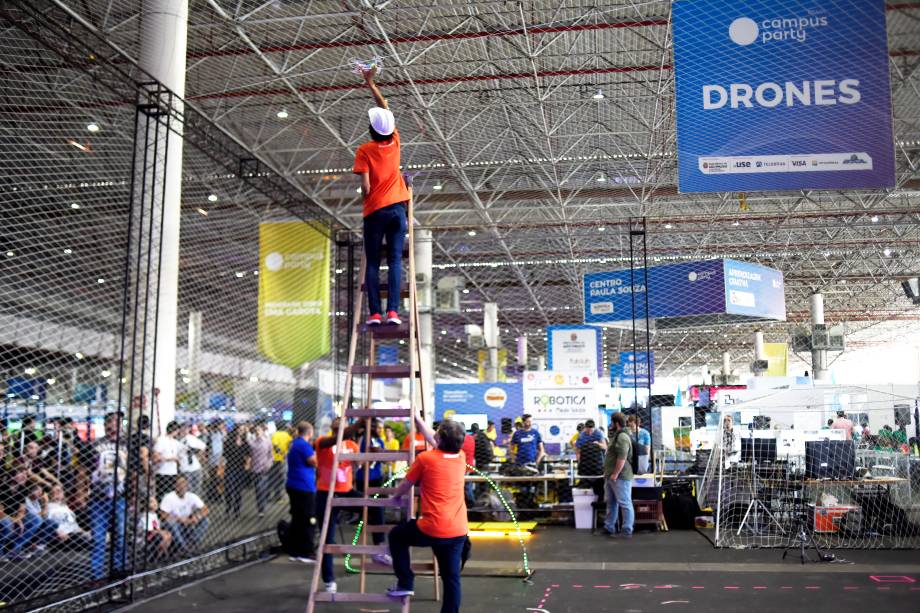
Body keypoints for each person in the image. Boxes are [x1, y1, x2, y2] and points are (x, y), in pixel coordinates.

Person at [386, 416, 469, 613]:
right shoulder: (461, 456)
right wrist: (418, 420)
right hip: (458, 530)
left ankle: (406, 581)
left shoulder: (425, 458)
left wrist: (395, 498)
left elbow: (406, 484)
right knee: (451, 578)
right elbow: (438, 441)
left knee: (396, 536)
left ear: (440, 439)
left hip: (432, 528)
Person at [353, 65, 410, 327]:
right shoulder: (395, 141)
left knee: (373, 262)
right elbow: (385, 108)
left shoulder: (364, 150)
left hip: (374, 211)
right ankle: (394, 312)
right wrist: (372, 83)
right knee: (395, 261)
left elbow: (365, 187)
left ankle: (375, 313)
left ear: (371, 130)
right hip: (398, 210)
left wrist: (365, 197)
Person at [314, 417, 367, 593]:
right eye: (337, 428)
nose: (340, 431)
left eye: (342, 427)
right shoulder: (323, 442)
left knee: (373, 505)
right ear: (332, 428)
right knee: (327, 538)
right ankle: (329, 580)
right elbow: (338, 437)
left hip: (346, 490)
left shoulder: (351, 445)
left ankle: (380, 545)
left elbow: (358, 464)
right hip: (325, 493)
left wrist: (363, 456)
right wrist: (359, 423)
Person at [89, 411, 129, 580]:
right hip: (98, 497)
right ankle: (96, 575)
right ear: (105, 425)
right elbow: (84, 470)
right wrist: (82, 493)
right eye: (110, 422)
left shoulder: (127, 444)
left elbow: (133, 471)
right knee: (98, 538)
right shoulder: (95, 444)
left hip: (120, 496)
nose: (113, 425)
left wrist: (134, 495)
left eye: (117, 422)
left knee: (120, 535)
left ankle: (119, 570)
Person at [286, 422, 317, 563]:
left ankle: (294, 550)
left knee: (297, 518)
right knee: (308, 519)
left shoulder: (294, 443)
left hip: (293, 484)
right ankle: (306, 551)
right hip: (304, 486)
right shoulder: (304, 446)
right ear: (310, 433)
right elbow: (313, 462)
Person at [603, 413, 634, 539]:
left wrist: (615, 474)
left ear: (616, 423)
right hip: (611, 475)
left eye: (611, 423)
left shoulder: (622, 437)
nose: (610, 425)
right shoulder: (617, 436)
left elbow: (622, 457)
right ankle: (609, 527)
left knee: (624, 503)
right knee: (611, 503)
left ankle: (627, 530)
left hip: (619, 476)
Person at [160, 475, 209, 552]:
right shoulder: (169, 497)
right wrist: (179, 519)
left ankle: (192, 542)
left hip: (189, 523)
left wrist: (197, 517)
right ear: (175, 485)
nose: (182, 486)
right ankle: (183, 547)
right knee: (171, 523)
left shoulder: (191, 496)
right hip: (176, 525)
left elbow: (206, 509)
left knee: (205, 520)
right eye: (179, 484)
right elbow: (163, 515)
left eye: (184, 483)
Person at [46, 483, 89, 547]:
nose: (57, 492)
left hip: (73, 533)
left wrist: (84, 532)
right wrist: (57, 530)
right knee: (86, 540)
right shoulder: (49, 506)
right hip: (60, 536)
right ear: (50, 494)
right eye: (54, 491)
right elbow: (47, 521)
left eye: (59, 490)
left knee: (87, 537)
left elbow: (73, 524)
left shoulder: (64, 506)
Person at [224, 424, 250, 517]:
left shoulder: (245, 442)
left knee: (238, 490)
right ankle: (228, 507)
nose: (242, 431)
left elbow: (248, 454)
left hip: (240, 468)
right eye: (240, 429)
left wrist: (247, 463)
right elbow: (224, 455)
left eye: (243, 430)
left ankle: (236, 510)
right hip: (230, 467)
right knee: (228, 488)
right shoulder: (229, 441)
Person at [249, 423, 274, 518]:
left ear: (263, 431)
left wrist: (268, 465)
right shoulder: (252, 442)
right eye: (256, 431)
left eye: (259, 430)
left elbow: (271, 455)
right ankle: (260, 508)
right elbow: (249, 455)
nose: (257, 432)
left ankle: (261, 509)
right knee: (257, 490)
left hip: (264, 469)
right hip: (255, 470)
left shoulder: (268, 441)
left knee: (261, 489)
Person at [153, 421, 182, 497]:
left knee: (171, 496)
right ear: (175, 430)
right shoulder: (161, 440)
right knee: (161, 495)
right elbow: (156, 457)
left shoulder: (175, 442)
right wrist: (170, 459)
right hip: (162, 472)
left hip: (173, 473)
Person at [137, 495, 172, 560]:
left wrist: (164, 532)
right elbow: (150, 530)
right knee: (164, 536)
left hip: (153, 535)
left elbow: (157, 528)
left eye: (155, 501)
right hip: (144, 538)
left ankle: (160, 555)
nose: (155, 503)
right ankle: (157, 556)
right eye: (152, 502)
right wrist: (162, 533)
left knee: (168, 534)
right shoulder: (145, 516)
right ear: (146, 504)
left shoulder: (154, 515)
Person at [178, 423, 206, 495]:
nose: (185, 430)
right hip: (185, 468)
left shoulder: (191, 438)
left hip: (196, 467)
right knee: (188, 490)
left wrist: (198, 455)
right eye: (183, 429)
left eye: (186, 429)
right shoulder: (177, 441)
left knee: (197, 489)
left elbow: (203, 446)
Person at [271, 422, 293, 501]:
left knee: (274, 478)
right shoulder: (287, 435)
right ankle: (281, 495)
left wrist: (280, 453)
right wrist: (285, 453)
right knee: (282, 478)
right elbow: (290, 445)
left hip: (275, 459)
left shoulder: (275, 434)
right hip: (284, 459)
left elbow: (275, 446)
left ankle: (275, 495)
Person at [205, 419, 225, 503]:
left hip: (219, 459)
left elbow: (224, 444)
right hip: (211, 459)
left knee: (219, 478)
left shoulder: (222, 433)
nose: (222, 426)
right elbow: (207, 446)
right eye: (221, 425)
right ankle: (212, 495)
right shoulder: (210, 434)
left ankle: (217, 495)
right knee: (213, 478)